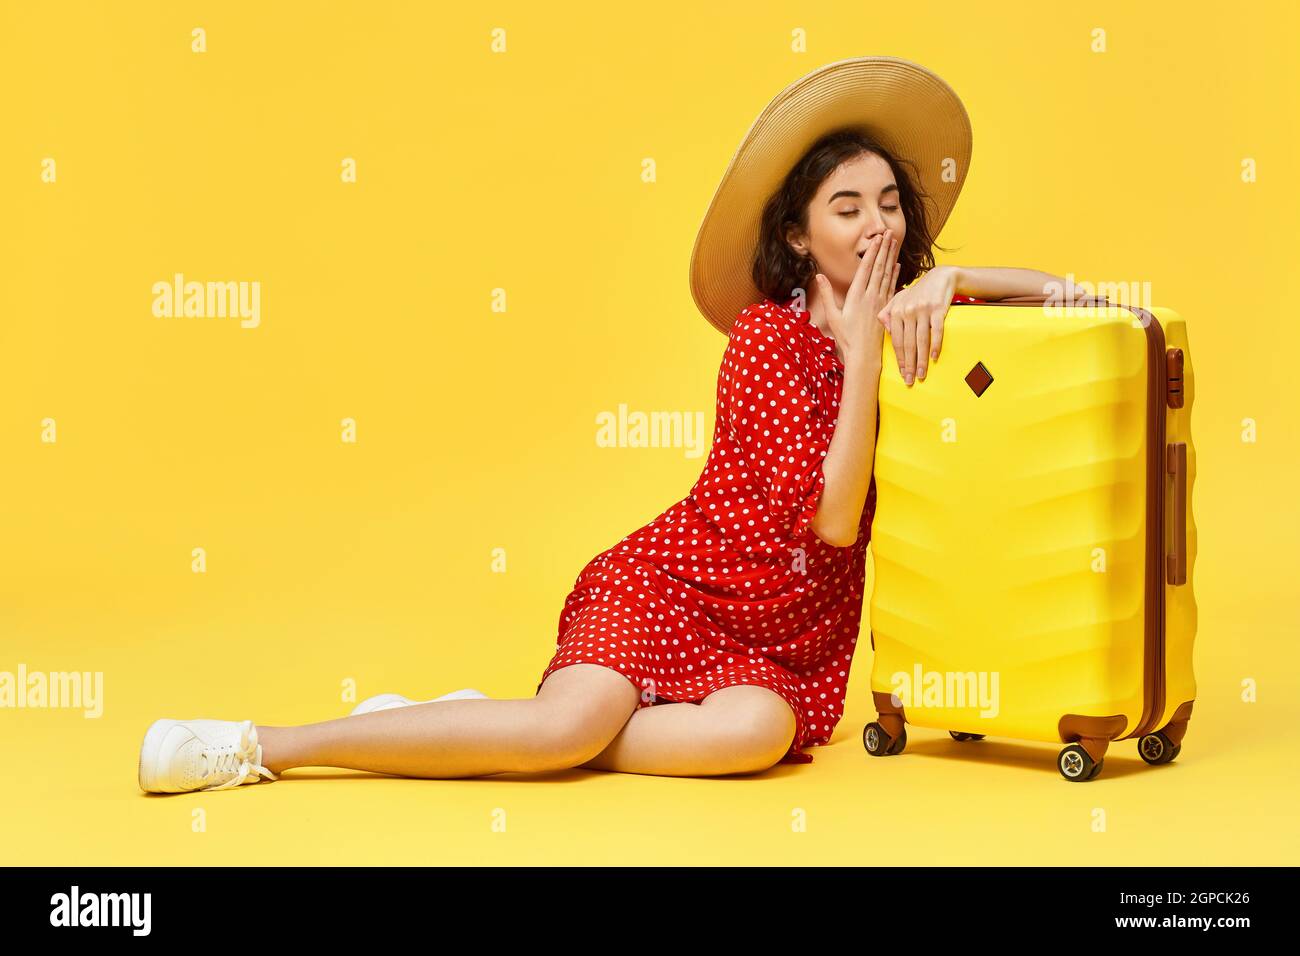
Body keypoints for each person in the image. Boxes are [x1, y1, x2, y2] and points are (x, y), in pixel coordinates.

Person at [138, 56, 1090, 793]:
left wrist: (955, 281)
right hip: (673, 587)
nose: (877, 226)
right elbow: (836, 523)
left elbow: (1077, 299)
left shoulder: (911, 327)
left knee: (758, 737)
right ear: (799, 236)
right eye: (847, 208)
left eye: (890, 205)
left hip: (784, 641)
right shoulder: (765, 339)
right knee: (567, 730)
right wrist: (854, 362)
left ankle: (472, 731)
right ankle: (265, 746)